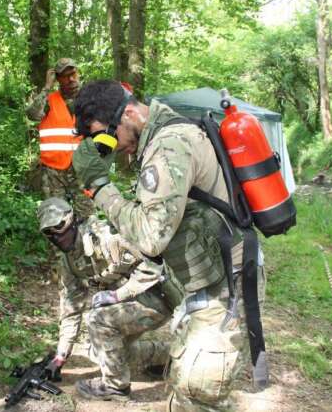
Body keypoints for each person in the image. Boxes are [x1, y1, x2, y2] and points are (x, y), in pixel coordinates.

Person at [71, 80, 267, 411]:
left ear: (130, 113)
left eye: (109, 135)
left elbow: (150, 236)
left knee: (196, 397)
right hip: (202, 279)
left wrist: (100, 187)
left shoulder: (169, 146)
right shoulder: (163, 137)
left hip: (223, 287)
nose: (112, 146)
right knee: (188, 392)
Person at [36, 198, 179, 401]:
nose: (56, 236)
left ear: (72, 220)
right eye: (48, 232)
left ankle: (115, 387)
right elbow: (70, 309)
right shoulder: (69, 262)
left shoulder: (106, 236)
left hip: (159, 297)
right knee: (102, 352)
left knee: (97, 320)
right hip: (132, 304)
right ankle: (169, 356)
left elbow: (153, 268)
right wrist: (61, 355)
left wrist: (116, 295)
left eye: (59, 227)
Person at [26, 58, 93, 218]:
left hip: (82, 169)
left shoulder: (90, 98)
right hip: (53, 171)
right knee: (55, 220)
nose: (70, 79)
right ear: (57, 78)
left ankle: (86, 243)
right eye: (65, 76)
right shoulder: (49, 99)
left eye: (73, 73)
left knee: (87, 217)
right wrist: (47, 88)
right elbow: (33, 114)